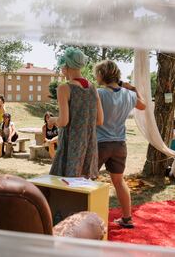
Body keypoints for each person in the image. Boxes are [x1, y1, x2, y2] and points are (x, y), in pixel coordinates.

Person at [95, 60, 146, 229]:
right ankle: (127, 218)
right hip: (119, 145)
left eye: (97, 73)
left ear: (102, 75)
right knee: (119, 181)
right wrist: (132, 88)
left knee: (87, 179)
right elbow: (143, 105)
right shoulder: (129, 95)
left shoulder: (99, 93)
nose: (96, 77)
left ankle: (87, 217)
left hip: (101, 144)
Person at [49, 47, 104, 179]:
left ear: (66, 66)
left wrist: (53, 120)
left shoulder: (64, 88)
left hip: (70, 145)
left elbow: (63, 121)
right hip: (88, 145)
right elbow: (100, 120)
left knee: (63, 185)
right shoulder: (93, 88)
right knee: (82, 187)